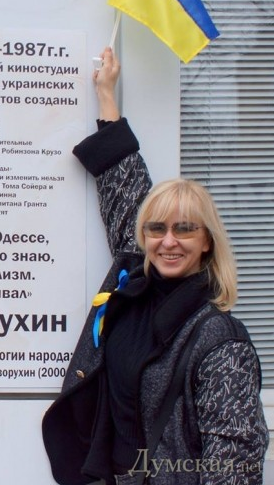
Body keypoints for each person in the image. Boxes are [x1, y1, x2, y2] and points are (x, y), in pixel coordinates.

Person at [42, 47, 269, 485]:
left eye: (185, 229)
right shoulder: (136, 283)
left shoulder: (220, 339)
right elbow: (125, 189)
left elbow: (235, 463)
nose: (168, 241)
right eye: (157, 228)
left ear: (206, 241)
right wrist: (106, 95)